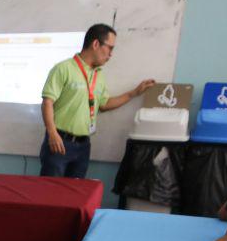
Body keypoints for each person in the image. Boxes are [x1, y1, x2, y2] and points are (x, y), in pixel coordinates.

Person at [39, 24, 155, 178]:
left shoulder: (98, 75)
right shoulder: (63, 68)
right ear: (95, 44)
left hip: (83, 145)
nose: (111, 55)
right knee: (50, 194)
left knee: (75, 196)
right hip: (60, 141)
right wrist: (52, 133)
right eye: (110, 48)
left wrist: (133, 93)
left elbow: (104, 104)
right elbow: (47, 102)